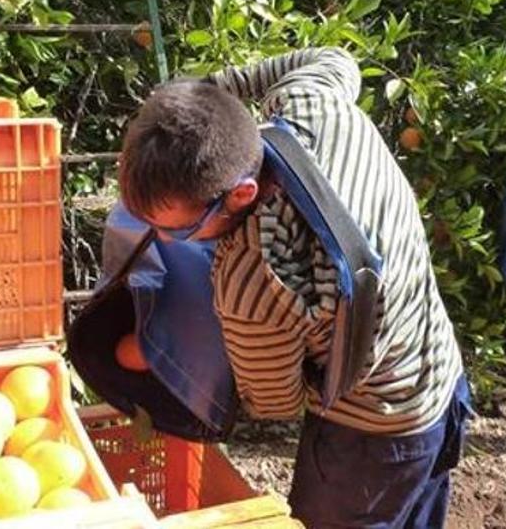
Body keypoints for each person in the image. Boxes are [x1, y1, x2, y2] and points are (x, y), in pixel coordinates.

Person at [118, 47, 471, 528]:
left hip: (369, 437)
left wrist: (199, 343)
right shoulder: (313, 105)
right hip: (441, 378)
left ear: (241, 193)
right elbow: (335, 57)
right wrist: (202, 94)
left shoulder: (254, 281)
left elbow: (275, 402)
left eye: (176, 231)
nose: (162, 240)